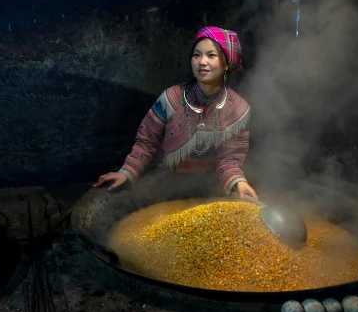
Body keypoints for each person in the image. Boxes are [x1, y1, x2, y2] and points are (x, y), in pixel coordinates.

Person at [94, 26, 259, 199]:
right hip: (166, 179)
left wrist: (239, 181)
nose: (202, 62)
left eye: (211, 55)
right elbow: (146, 142)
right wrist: (127, 172)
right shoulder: (170, 99)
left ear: (226, 63)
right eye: (197, 55)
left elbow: (229, 158)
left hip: (211, 184)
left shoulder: (238, 109)